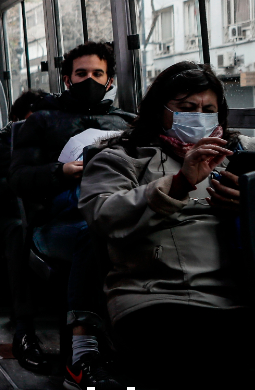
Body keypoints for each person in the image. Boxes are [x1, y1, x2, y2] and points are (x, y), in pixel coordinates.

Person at [80, 62, 255, 390]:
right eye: (187, 108)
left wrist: (249, 203)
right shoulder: (122, 158)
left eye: (208, 109)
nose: (199, 116)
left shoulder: (240, 156)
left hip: (239, 295)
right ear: (159, 111)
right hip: (158, 297)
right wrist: (177, 185)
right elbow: (103, 215)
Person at [9, 41, 133, 390]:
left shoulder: (127, 123)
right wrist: (60, 172)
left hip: (117, 212)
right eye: (82, 74)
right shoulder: (42, 122)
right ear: (67, 79)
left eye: (98, 74)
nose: (90, 80)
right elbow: (18, 180)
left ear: (110, 82)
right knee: (94, 232)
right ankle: (82, 355)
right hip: (58, 221)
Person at [0, 89, 49, 373]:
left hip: (43, 218)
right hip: (2, 221)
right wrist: (19, 182)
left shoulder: (52, 145)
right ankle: (24, 323)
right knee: (18, 232)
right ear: (14, 120)